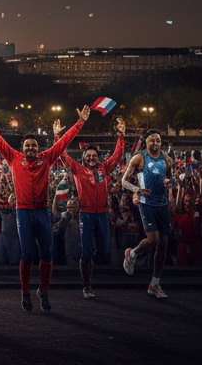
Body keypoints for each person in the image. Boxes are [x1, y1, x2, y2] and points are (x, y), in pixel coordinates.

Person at [0, 102, 89, 312]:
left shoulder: (46, 158)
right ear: (22, 148)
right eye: (27, 145)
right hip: (23, 212)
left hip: (42, 211)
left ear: (38, 148)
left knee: (46, 254)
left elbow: (64, 142)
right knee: (28, 254)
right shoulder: (13, 158)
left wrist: (79, 124)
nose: (30, 148)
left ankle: (44, 292)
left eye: (34, 145)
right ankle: (25, 292)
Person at [56, 116, 126, 297]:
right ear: (84, 158)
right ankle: (86, 285)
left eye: (94, 156)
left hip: (102, 214)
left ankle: (88, 263)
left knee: (103, 252)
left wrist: (121, 135)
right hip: (86, 215)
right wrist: (57, 136)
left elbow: (118, 155)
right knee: (86, 252)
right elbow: (62, 155)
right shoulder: (78, 170)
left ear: (98, 157)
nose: (92, 158)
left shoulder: (105, 168)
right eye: (89, 156)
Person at [121, 128, 174, 298]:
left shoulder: (167, 159)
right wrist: (137, 190)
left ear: (161, 142)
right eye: (152, 140)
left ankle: (155, 284)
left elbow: (169, 179)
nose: (155, 143)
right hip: (147, 203)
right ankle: (132, 253)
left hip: (163, 204)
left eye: (158, 140)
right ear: (146, 142)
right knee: (153, 239)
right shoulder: (139, 158)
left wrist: (169, 182)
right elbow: (124, 182)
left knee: (163, 243)